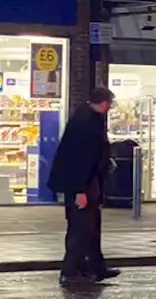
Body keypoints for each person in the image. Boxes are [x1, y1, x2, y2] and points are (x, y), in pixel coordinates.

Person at [48, 87, 121, 285]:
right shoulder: (86, 122)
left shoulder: (87, 117)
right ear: (104, 103)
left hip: (88, 182)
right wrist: (80, 190)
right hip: (81, 183)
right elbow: (80, 159)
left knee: (90, 227)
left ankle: (95, 268)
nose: (110, 108)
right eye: (110, 104)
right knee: (80, 228)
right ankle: (70, 271)